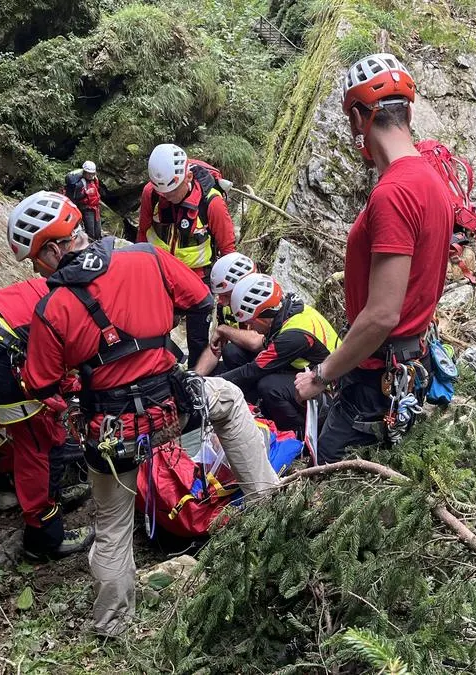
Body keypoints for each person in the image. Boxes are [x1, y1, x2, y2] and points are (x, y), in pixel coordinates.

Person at [16, 191, 280, 637]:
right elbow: (199, 302)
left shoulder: (52, 309)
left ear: (52, 249)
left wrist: (78, 390)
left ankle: (112, 624)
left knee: (113, 528)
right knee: (230, 399)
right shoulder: (146, 258)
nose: (37, 270)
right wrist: (191, 359)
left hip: (113, 432)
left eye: (35, 259)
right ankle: (269, 506)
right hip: (173, 407)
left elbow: (41, 385)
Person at [294, 53, 453, 464]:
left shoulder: (394, 193)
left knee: (329, 465)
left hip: (376, 377)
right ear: (408, 113)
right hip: (404, 363)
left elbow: (382, 315)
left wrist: (321, 374)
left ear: (359, 118)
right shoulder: (431, 179)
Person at [0, 270, 92, 559]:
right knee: (43, 443)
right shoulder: (90, 308)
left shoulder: (75, 284)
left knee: (38, 439)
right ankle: (45, 538)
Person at [138, 144, 237, 368]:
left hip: (197, 278)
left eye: (172, 193)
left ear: (188, 177)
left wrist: (227, 297)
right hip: (160, 275)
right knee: (149, 330)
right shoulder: (152, 194)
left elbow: (228, 250)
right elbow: (143, 235)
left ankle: (195, 379)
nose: (168, 198)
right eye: (163, 193)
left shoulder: (212, 203)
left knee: (197, 339)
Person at [219, 274, 340, 435]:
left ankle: (298, 433)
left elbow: (253, 370)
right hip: (307, 371)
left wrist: (212, 384)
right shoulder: (286, 309)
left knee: (269, 386)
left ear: (263, 317)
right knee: (233, 352)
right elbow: (258, 349)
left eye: (250, 321)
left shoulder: (293, 336)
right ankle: (260, 408)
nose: (249, 326)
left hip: (327, 389)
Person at [193, 252, 262, 376]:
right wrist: (196, 377)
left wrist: (224, 330)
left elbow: (257, 342)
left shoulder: (264, 300)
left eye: (226, 295)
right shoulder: (225, 307)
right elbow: (215, 348)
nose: (221, 301)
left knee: (231, 351)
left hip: (272, 366)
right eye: (219, 295)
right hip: (246, 361)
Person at [65, 160, 104, 240]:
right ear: (84, 172)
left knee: (98, 231)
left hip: (95, 208)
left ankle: (97, 245)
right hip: (86, 209)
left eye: (92, 173)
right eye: (88, 173)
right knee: (90, 233)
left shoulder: (94, 180)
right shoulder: (80, 183)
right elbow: (76, 198)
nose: (90, 175)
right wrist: (85, 193)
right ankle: (90, 247)